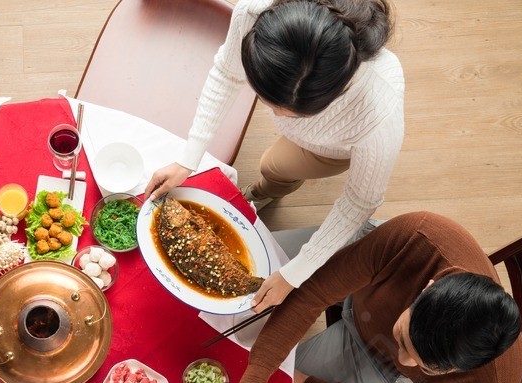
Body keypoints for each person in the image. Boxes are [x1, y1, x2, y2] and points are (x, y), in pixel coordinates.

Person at [145, 0, 404, 310]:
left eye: (292, 114)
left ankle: (265, 191)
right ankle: (266, 187)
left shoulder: (379, 113)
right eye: (267, 101)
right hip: (315, 127)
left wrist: (295, 273)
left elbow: (358, 203)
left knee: (275, 165)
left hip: (332, 147)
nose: (278, 117)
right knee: (273, 163)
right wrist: (189, 158)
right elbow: (227, 75)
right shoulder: (254, 13)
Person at [208, 211, 522, 383]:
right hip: (370, 265)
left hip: (372, 358)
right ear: (426, 288)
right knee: (230, 269)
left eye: (424, 367)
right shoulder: (416, 235)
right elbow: (312, 293)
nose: (404, 362)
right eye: (403, 340)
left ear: (458, 370)